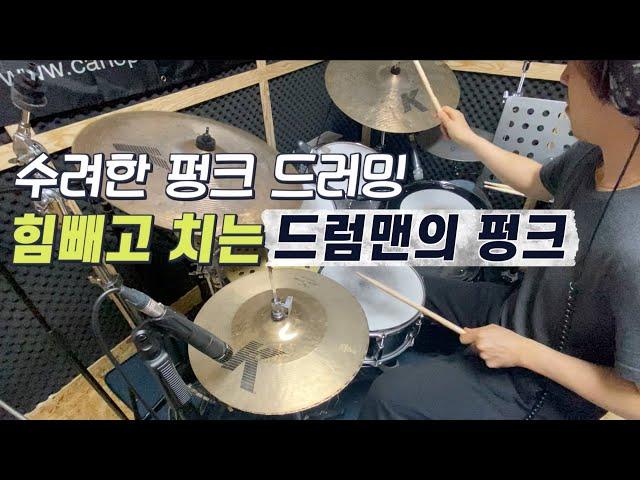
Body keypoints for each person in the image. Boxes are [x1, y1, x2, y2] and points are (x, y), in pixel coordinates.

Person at [359, 60, 640, 420]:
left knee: (388, 396)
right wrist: (470, 139)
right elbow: (537, 181)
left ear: (620, 98)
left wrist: (524, 352)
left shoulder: (632, 246)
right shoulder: (595, 152)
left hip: (545, 388)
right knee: (398, 285)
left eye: (577, 70)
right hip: (521, 309)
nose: (563, 76)